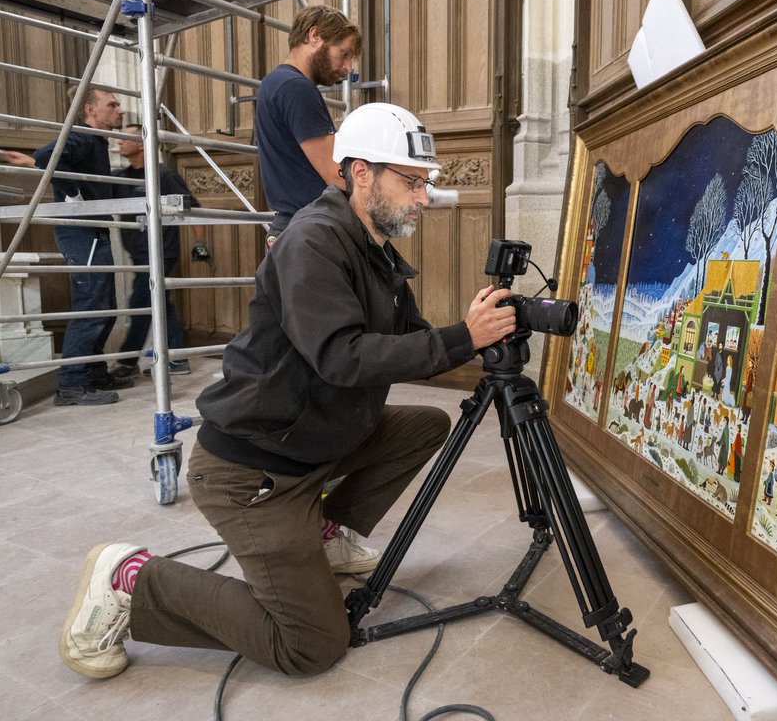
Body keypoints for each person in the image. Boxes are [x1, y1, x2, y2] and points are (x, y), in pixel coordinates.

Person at [60, 103, 517, 680]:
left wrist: (472, 336)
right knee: (312, 645)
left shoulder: (371, 246)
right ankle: (127, 577)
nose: (423, 198)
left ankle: (322, 535)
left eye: (424, 183)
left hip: (310, 446)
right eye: (412, 182)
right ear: (361, 173)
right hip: (254, 472)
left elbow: (411, 341)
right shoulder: (314, 242)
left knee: (426, 426)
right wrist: (462, 337)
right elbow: (341, 358)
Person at [32, 87, 133, 406]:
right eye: (112, 105)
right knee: (92, 305)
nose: (120, 110)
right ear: (90, 110)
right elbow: (45, 156)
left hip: (92, 230)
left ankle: (92, 373)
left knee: (104, 304)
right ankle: (72, 383)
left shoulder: (96, 142)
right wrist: (72, 193)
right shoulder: (82, 136)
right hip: (80, 231)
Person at [256, 5, 361, 247]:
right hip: (309, 229)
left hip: (296, 226)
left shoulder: (275, 82)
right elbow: (335, 173)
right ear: (315, 36)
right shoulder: (296, 87)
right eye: (344, 54)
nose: (348, 67)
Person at [108, 124, 205, 379]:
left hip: (161, 251)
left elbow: (192, 208)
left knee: (141, 302)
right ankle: (177, 359)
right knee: (159, 303)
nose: (118, 142)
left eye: (124, 138)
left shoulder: (163, 175)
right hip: (138, 254)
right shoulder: (121, 177)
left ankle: (128, 361)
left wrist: (200, 243)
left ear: (142, 143)